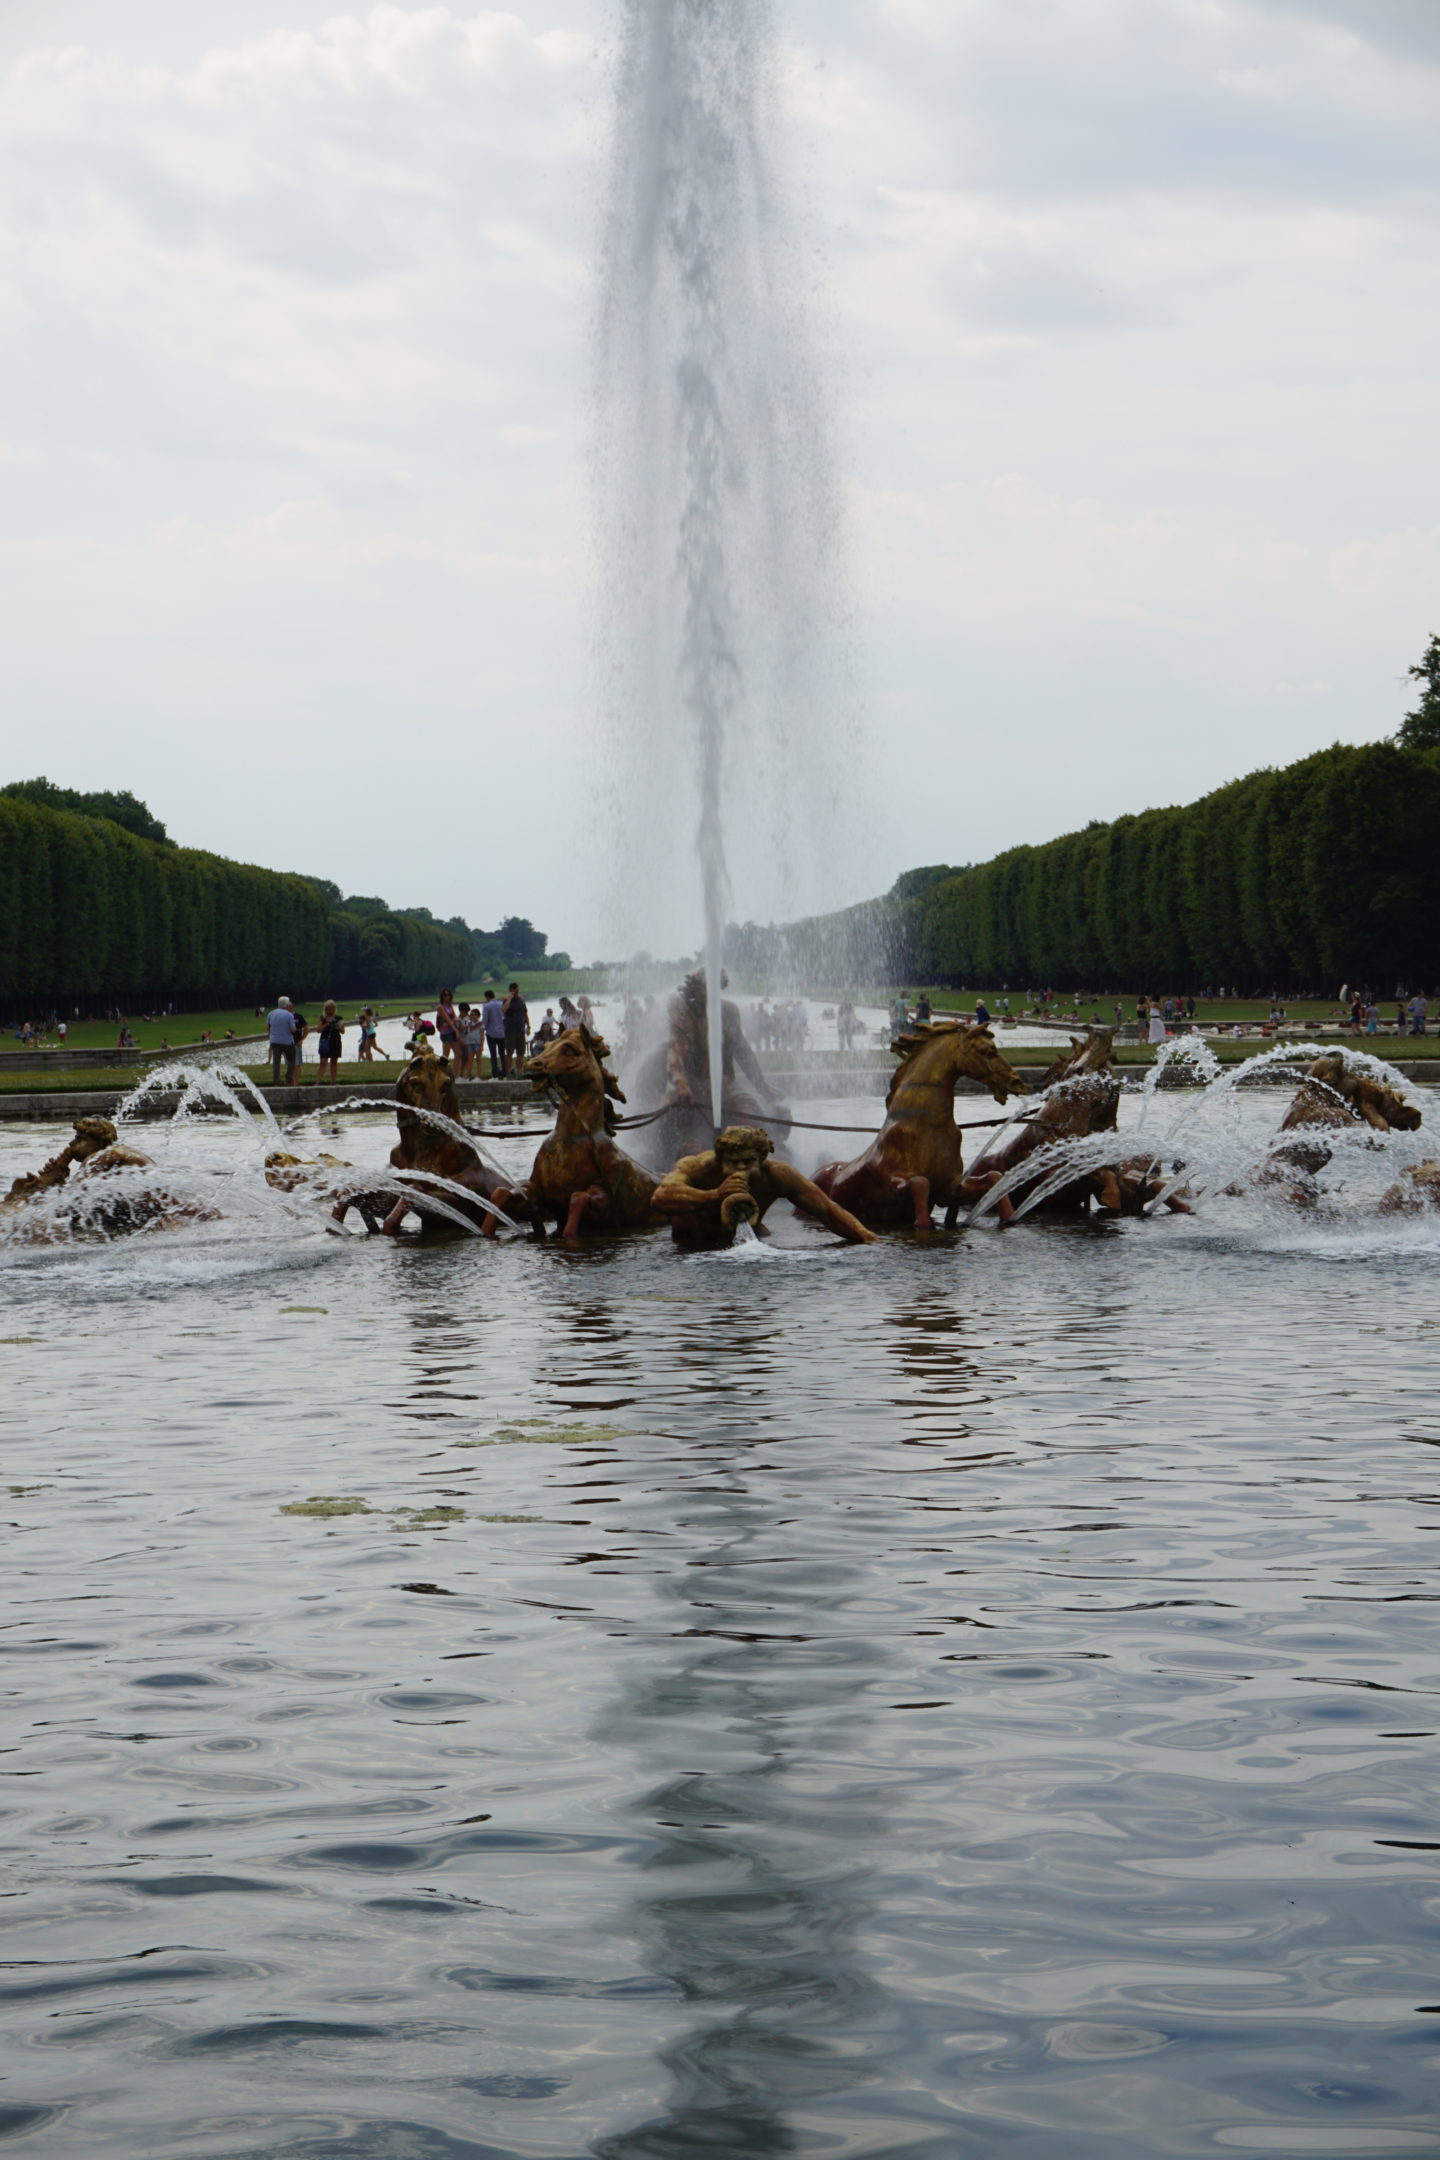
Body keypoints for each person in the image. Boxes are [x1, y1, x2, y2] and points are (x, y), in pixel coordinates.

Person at [651, 1124, 876, 1248]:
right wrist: (715, 1195)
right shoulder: (697, 1167)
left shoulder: (778, 1174)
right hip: (693, 1247)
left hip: (751, 1246)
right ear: (720, 1160)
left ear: (762, 1159)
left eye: (748, 1162)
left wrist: (866, 1238)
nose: (741, 1169)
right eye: (732, 1162)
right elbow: (661, 1197)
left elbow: (828, 1210)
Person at [267, 996, 298, 1085]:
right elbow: (292, 1029)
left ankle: (276, 1081)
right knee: (291, 1059)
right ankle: (288, 1079)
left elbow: (268, 1027)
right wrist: (296, 1030)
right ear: (287, 1004)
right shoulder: (289, 1014)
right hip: (287, 1041)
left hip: (274, 1041)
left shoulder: (271, 1013)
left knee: (276, 1062)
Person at [313, 1000, 344, 1083]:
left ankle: (333, 1081)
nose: (330, 1011)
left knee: (334, 1062)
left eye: (332, 1009)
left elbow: (343, 1031)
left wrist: (337, 1025)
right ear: (325, 1009)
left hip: (335, 1041)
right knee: (323, 1062)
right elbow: (318, 1030)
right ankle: (318, 1082)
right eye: (328, 1009)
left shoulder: (338, 1018)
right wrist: (326, 1024)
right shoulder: (322, 1018)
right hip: (325, 1041)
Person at [503, 983, 529, 1076]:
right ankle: (508, 1072)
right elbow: (503, 1010)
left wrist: (528, 1026)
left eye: (518, 990)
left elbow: (525, 1013)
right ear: (511, 990)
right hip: (510, 1030)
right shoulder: (506, 1000)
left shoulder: (521, 1000)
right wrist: (509, 999)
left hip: (520, 1029)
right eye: (515, 990)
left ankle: (519, 1071)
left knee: (521, 1052)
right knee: (509, 1052)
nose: (517, 992)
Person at [482, 989, 506, 1077]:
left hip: (491, 1033)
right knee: (502, 1053)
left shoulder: (487, 1006)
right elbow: (504, 1017)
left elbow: (485, 1020)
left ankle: (495, 1073)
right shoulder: (501, 1005)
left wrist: (481, 1028)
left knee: (493, 1054)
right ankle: (504, 1071)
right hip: (501, 1032)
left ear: (487, 997)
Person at [436, 989, 460, 1064]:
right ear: (442, 996)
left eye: (449, 995)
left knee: (458, 1054)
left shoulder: (450, 1006)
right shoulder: (440, 1007)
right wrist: (455, 1029)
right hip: (445, 1032)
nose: (447, 997)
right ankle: (442, 1073)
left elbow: (455, 1017)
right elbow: (448, 1019)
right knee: (445, 1055)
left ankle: (456, 1074)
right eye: (445, 995)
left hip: (452, 1030)